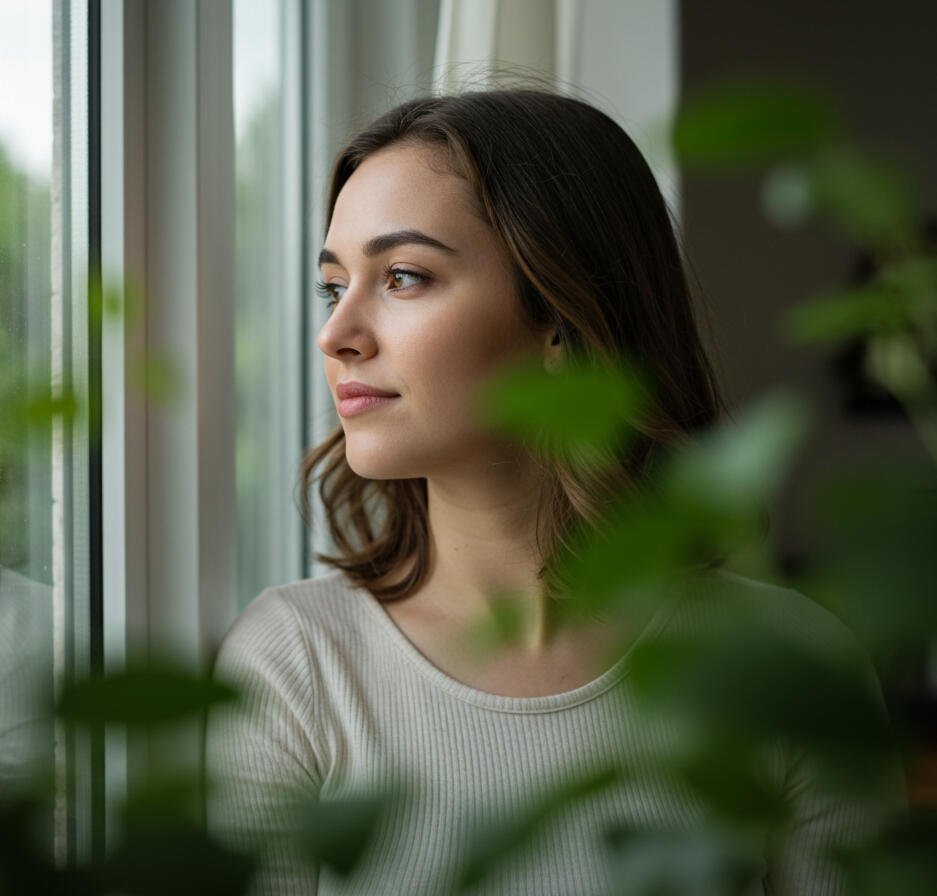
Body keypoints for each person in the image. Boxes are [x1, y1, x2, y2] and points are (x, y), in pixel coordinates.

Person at [205, 89, 905, 895]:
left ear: (561, 320)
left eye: (401, 277)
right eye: (334, 287)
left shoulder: (789, 666)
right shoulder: (295, 663)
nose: (336, 334)